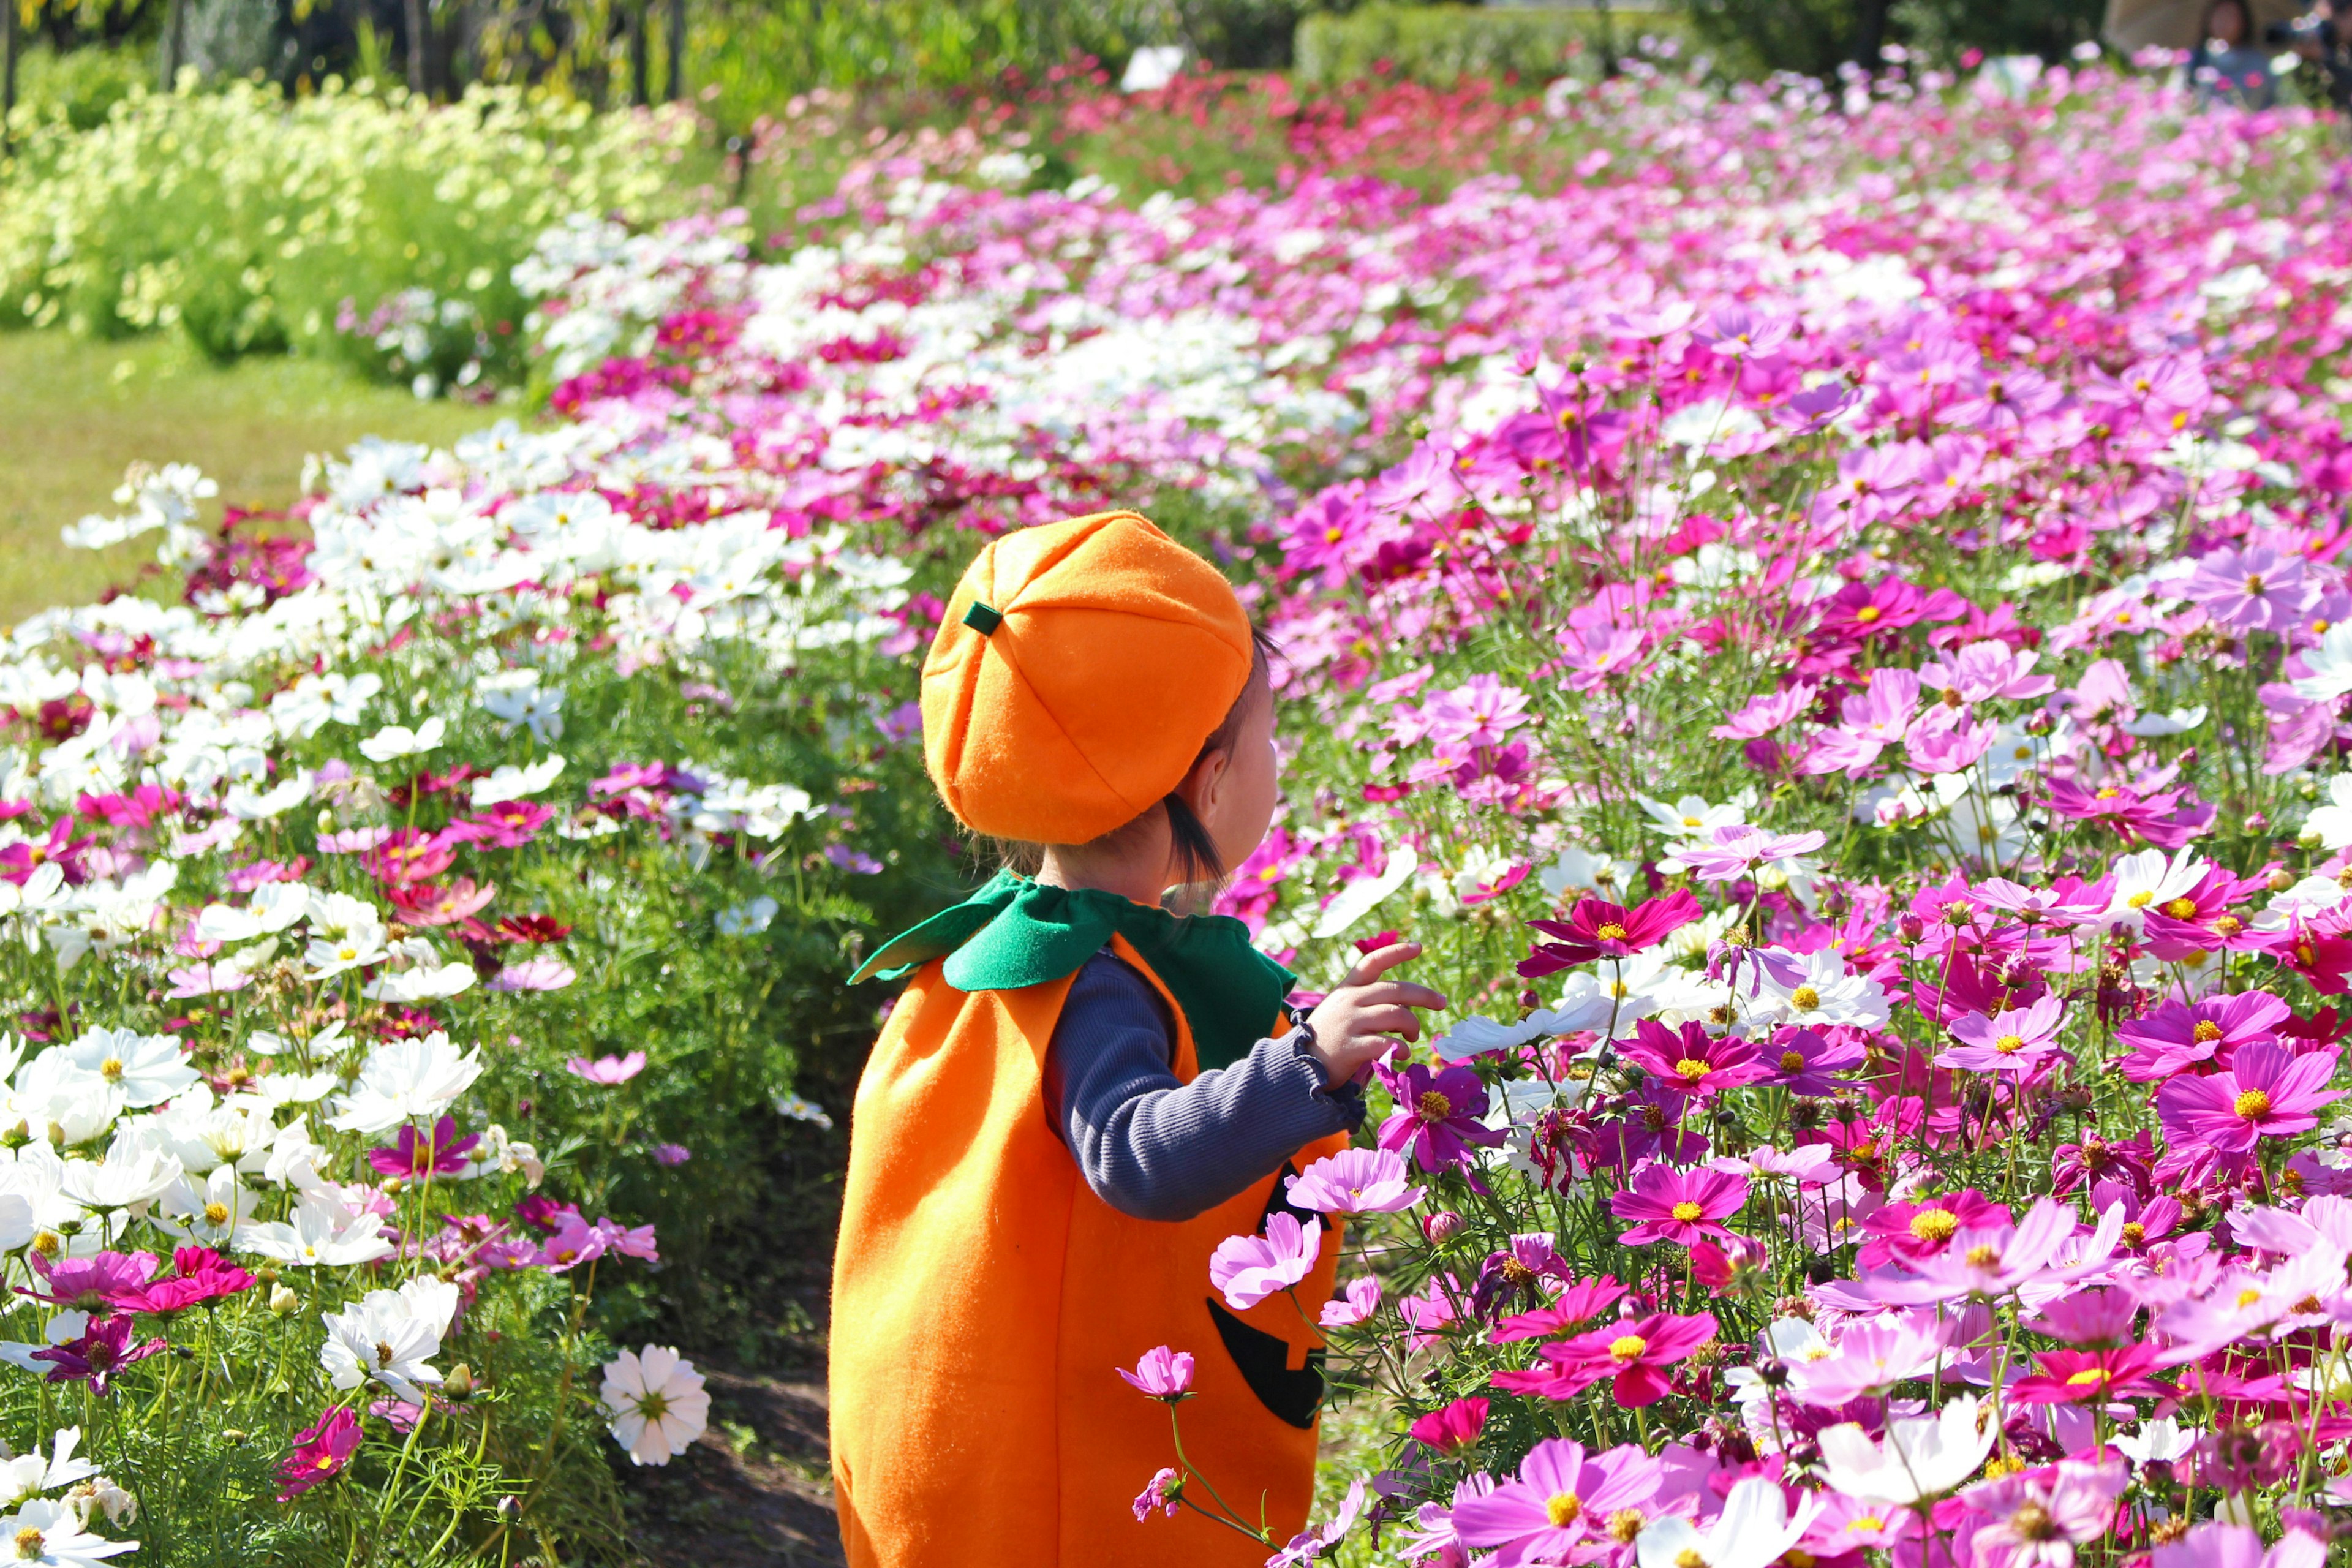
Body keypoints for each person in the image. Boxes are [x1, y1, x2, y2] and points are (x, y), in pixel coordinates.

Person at [829, 510, 1449, 1567]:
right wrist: (1307, 1064)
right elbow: (1138, 1157)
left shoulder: (1001, 947)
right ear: (1209, 783)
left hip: (965, 1431)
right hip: (1064, 1491)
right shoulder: (1091, 986)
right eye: (1261, 736)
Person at [2193, 0, 2282, 107]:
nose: (2223, 22)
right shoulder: (2194, 59)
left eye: (2230, 16)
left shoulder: (2257, 63)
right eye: (2219, 15)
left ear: (2243, 22)